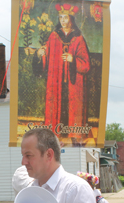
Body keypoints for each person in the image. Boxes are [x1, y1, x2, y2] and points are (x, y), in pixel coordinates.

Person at [33, 3, 90, 139]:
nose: (63, 21)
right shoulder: (54, 36)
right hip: (57, 81)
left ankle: (73, 134)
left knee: (71, 107)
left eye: (65, 18)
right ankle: (55, 133)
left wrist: (73, 60)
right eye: (61, 18)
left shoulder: (78, 38)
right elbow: (47, 52)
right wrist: (40, 53)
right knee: (56, 106)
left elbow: (86, 64)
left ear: (71, 19)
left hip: (72, 84)